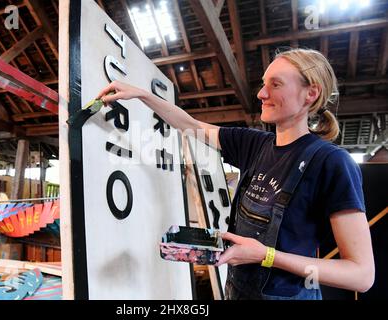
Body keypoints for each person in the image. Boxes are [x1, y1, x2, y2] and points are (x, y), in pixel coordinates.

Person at [96, 48, 375, 300]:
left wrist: (266, 256)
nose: (261, 94)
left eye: (275, 85)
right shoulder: (254, 144)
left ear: (310, 94)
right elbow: (189, 124)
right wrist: (143, 95)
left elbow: (361, 275)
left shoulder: (332, 162)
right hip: (238, 291)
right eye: (263, 84)